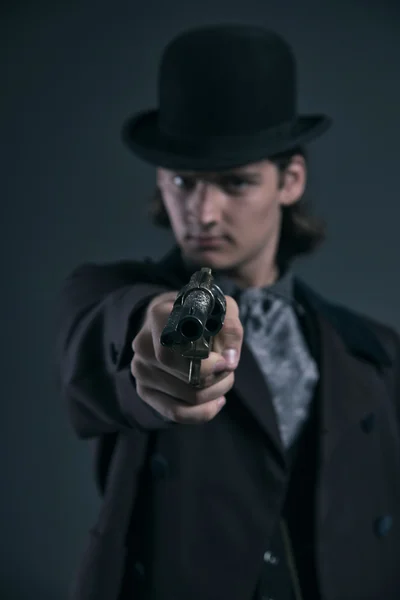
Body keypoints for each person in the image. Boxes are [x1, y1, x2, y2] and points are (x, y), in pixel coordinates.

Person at [57, 24, 400, 600]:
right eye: (183, 180)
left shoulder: (373, 350)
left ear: (290, 180)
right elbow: (112, 337)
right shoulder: (107, 294)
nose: (203, 211)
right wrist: (163, 335)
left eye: (235, 182)